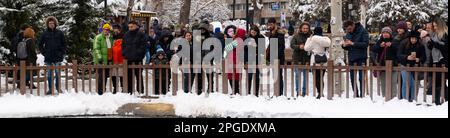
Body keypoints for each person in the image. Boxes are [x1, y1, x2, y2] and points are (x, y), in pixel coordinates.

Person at [38, 16, 66, 95]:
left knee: (57, 74)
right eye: (50, 23)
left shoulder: (60, 33)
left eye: (53, 23)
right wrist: (44, 53)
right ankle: (50, 89)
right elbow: (40, 45)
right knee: (49, 74)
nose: (51, 24)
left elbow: (64, 44)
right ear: (47, 24)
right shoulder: (44, 33)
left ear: (55, 24)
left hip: (58, 57)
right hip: (48, 57)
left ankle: (58, 88)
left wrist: (61, 53)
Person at [342, 20, 369, 98]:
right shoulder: (348, 33)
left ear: (353, 25)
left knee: (361, 78)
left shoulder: (363, 31)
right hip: (352, 58)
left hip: (361, 58)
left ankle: (362, 96)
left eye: (350, 29)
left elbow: (365, 44)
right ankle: (356, 95)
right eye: (347, 30)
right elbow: (348, 46)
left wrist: (353, 43)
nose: (348, 31)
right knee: (352, 78)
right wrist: (344, 45)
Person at [398, 30, 426, 102]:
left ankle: (413, 99)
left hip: (414, 67)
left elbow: (424, 57)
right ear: (409, 38)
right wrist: (406, 57)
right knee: (406, 82)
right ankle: (405, 99)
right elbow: (399, 55)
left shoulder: (420, 46)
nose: (413, 40)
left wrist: (418, 59)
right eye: (412, 38)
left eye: (415, 39)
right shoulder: (403, 43)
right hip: (404, 65)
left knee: (413, 83)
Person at [304, 27, 331, 99]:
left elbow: (306, 48)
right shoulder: (325, 40)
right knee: (321, 78)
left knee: (316, 78)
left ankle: (319, 92)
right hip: (323, 61)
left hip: (315, 61)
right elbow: (328, 45)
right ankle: (321, 92)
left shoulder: (313, 40)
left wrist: (309, 39)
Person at [122, 21, 147, 94]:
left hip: (138, 59)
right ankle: (129, 92)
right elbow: (123, 45)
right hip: (128, 59)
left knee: (139, 76)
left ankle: (140, 91)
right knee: (129, 77)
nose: (130, 28)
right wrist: (124, 54)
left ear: (136, 26)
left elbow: (143, 47)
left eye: (131, 26)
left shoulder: (141, 34)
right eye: (129, 27)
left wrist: (139, 55)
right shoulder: (126, 35)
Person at [373, 27, 399, 99]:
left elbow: (398, 50)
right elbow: (374, 49)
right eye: (384, 33)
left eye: (387, 33)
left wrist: (391, 45)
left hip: (393, 65)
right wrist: (380, 46)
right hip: (382, 66)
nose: (385, 34)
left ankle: (393, 97)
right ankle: (384, 97)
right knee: (383, 83)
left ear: (390, 34)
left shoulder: (394, 41)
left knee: (393, 82)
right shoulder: (379, 41)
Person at [428, 18, 448, 105]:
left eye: (436, 26)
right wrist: (430, 45)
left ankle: (445, 101)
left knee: (442, 82)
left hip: (443, 60)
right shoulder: (434, 34)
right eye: (434, 26)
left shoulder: (445, 34)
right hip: (435, 61)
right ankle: (437, 102)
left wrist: (434, 44)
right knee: (436, 82)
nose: (435, 27)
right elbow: (433, 48)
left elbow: (445, 48)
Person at [290, 22, 311, 96]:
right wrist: (299, 47)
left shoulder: (311, 37)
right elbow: (292, 45)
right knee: (297, 76)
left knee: (306, 76)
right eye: (304, 28)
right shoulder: (296, 36)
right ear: (301, 29)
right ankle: (298, 92)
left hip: (306, 59)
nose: (305, 30)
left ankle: (304, 92)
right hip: (297, 58)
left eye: (307, 28)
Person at [266, 18, 286, 96]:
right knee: (275, 76)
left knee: (278, 76)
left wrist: (276, 57)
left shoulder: (279, 33)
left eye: (271, 24)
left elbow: (281, 46)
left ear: (275, 24)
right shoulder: (272, 33)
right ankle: (276, 92)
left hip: (278, 58)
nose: (270, 26)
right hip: (273, 57)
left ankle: (279, 93)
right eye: (269, 24)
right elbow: (271, 46)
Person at [93, 23, 114, 95]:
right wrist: (100, 58)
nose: (106, 31)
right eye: (105, 29)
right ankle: (100, 92)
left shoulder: (110, 38)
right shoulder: (98, 37)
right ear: (103, 30)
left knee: (106, 76)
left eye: (108, 30)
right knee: (101, 76)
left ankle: (103, 90)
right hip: (101, 60)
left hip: (108, 60)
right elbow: (96, 48)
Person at [224, 28, 246, 95]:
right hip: (236, 59)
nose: (234, 32)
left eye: (236, 31)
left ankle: (235, 91)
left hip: (233, 60)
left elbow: (227, 48)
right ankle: (236, 91)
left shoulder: (237, 40)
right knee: (235, 76)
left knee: (232, 76)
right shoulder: (240, 40)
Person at [246, 25, 264, 96]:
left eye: (254, 33)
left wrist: (256, 47)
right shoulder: (247, 37)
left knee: (256, 76)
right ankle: (248, 92)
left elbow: (262, 50)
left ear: (257, 32)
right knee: (249, 76)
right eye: (252, 32)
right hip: (249, 58)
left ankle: (256, 93)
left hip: (257, 58)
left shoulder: (261, 37)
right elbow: (243, 48)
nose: (253, 34)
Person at [111, 24, 124, 94]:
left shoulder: (123, 37)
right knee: (114, 75)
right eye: (114, 29)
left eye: (116, 29)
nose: (115, 30)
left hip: (121, 59)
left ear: (119, 30)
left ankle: (122, 88)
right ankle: (115, 88)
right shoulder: (111, 37)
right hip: (113, 59)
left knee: (121, 74)